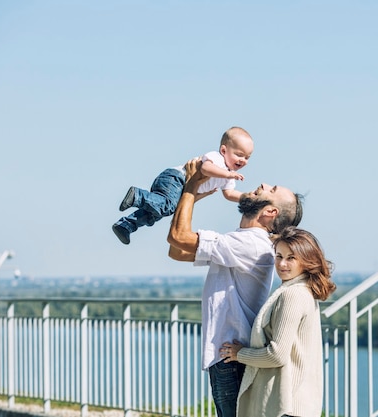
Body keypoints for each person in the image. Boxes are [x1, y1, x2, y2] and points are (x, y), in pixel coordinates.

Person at [166, 159, 304, 417]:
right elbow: (176, 250)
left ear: (270, 212)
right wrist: (192, 194)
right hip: (228, 358)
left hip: (231, 360)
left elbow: (177, 237)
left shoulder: (251, 245)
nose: (262, 184)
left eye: (271, 189)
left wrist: (193, 184)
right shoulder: (240, 242)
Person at [219, 226, 336, 417]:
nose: (282, 264)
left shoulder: (292, 295)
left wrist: (240, 354)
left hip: (287, 406)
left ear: (306, 261)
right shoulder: (303, 290)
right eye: (279, 256)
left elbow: (276, 355)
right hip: (297, 405)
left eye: (291, 258)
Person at [112, 126, 254, 245]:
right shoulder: (218, 159)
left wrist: (249, 198)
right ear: (224, 150)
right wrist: (228, 174)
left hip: (181, 190)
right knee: (166, 207)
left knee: (155, 213)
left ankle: (126, 226)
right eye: (239, 155)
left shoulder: (227, 174)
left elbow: (229, 194)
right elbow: (205, 169)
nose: (243, 160)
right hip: (175, 179)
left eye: (247, 157)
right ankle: (138, 196)